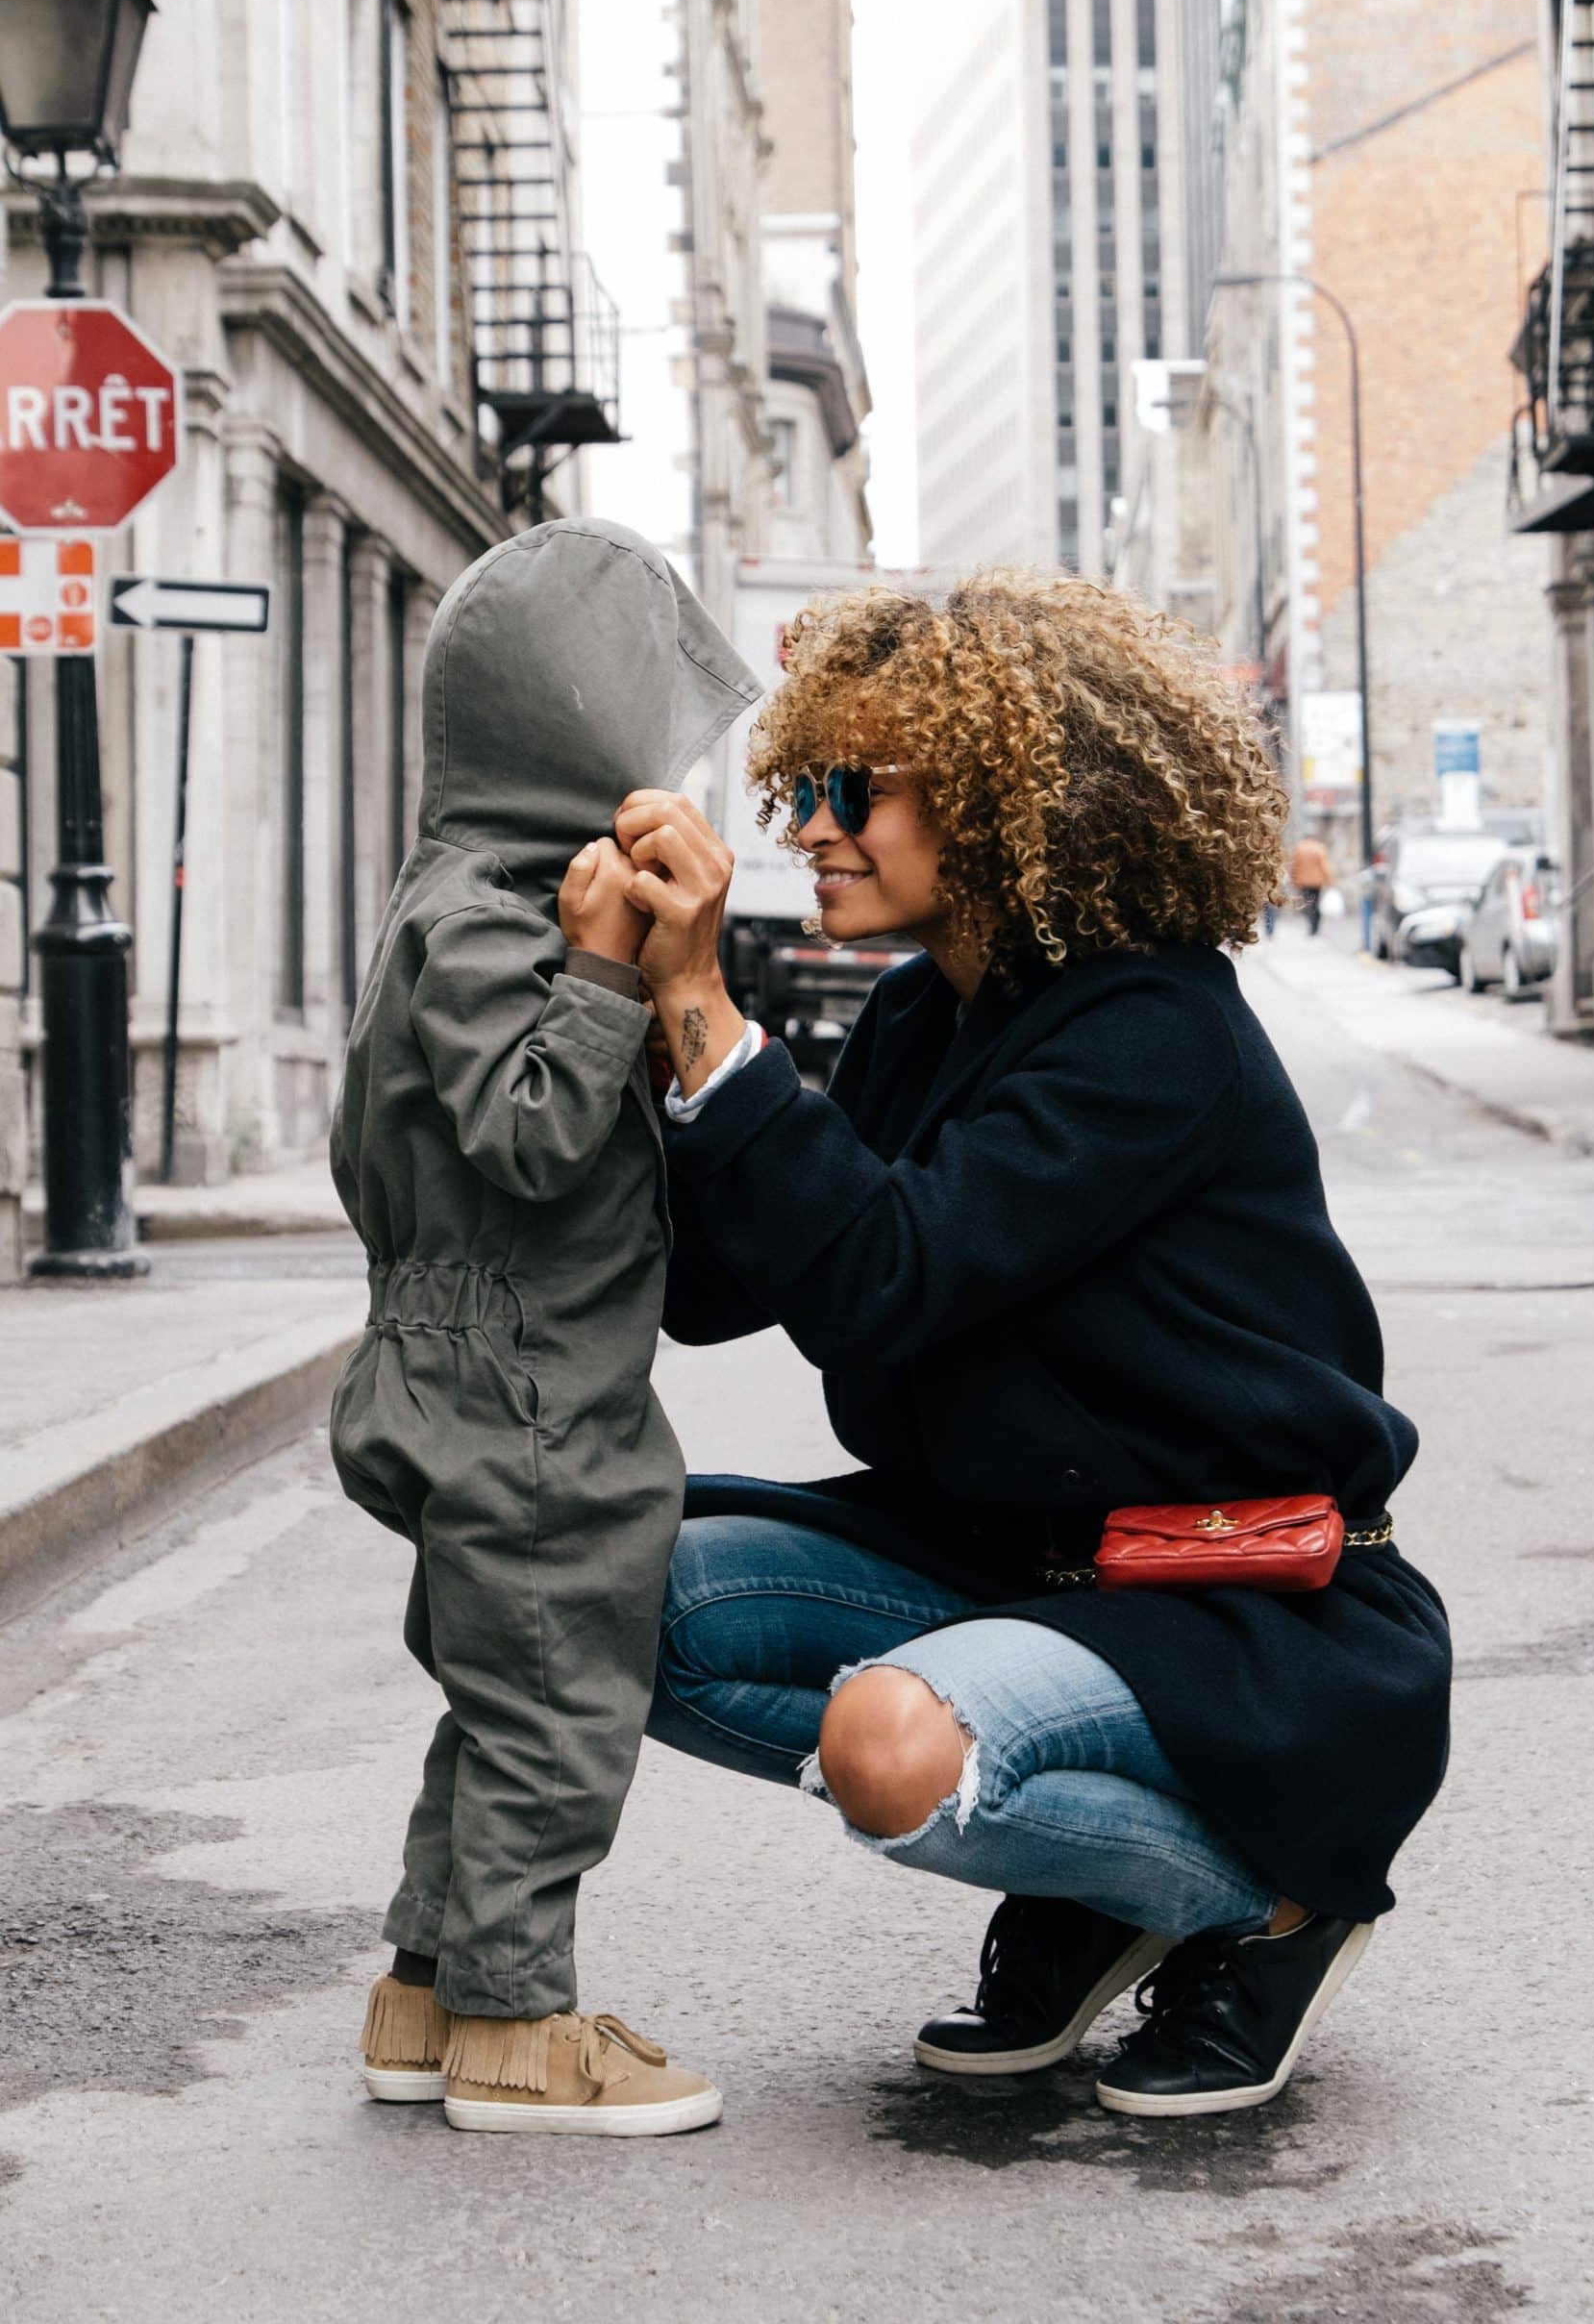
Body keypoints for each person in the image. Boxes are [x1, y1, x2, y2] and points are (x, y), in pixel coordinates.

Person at [619, 568, 1451, 2119]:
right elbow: (724, 1288)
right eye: (797, 787)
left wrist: (708, 1012)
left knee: (891, 1751)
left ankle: (1259, 1902)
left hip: (1230, 1600)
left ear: (1009, 795)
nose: (805, 829)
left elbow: (884, 1275)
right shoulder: (919, 1019)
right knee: (602, 1603)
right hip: (999, 1557)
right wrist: (635, 1008)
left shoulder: (1150, 1030)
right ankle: (1100, 1880)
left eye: (847, 791)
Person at [328, 517, 756, 2135]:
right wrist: (600, 977)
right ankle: (519, 2030)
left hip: (464, 1366)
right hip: (526, 1392)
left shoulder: (453, 897)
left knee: (495, 1699)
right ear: (569, 725)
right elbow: (523, 1133)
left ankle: (428, 1993)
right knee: (562, 1710)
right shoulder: (501, 918)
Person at [1288, 833, 1333, 936]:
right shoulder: (1319, 848)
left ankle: (1311, 924)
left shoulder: (1299, 849)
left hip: (1303, 882)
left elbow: (1294, 866)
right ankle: (1315, 926)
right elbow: (1324, 866)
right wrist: (1330, 880)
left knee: (1307, 904)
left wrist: (1293, 880)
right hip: (1317, 882)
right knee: (1316, 903)